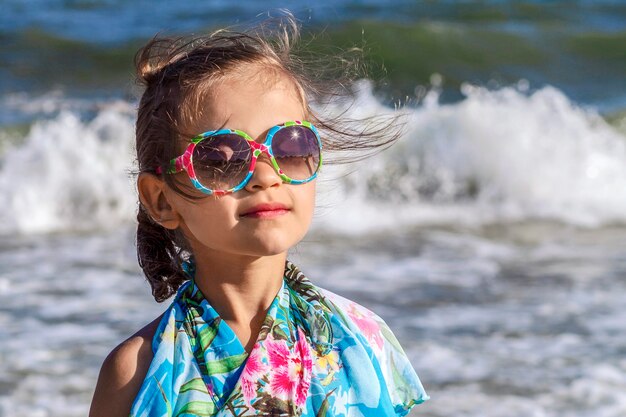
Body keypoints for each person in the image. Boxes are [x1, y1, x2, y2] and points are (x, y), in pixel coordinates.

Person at [90, 15, 429, 417]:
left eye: (290, 146)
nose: (265, 176)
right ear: (161, 200)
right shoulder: (138, 372)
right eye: (219, 158)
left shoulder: (362, 339)